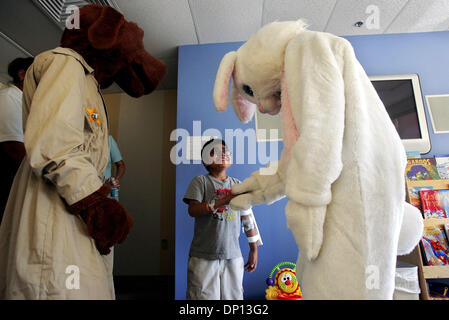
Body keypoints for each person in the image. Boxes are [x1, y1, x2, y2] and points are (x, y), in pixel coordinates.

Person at [183, 138, 262, 300]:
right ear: (206, 160)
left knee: (233, 298)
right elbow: (193, 210)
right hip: (203, 256)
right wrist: (224, 200)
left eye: (226, 151)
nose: (223, 154)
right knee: (202, 297)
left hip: (233, 255)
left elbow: (247, 219)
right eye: (216, 152)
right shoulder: (200, 182)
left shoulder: (238, 185)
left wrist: (254, 249)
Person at [0, 57, 34, 223]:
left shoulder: (28, 104)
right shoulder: (8, 97)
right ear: (22, 74)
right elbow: (12, 148)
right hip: (8, 178)